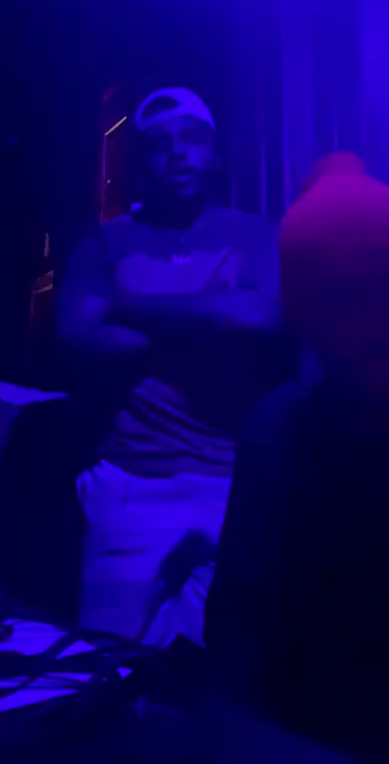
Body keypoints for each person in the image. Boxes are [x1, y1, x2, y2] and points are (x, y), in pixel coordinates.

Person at [205, 153, 389, 762]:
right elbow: (236, 644)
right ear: (308, 320)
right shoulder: (278, 433)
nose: (381, 318)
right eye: (348, 296)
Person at [57, 87, 295, 645]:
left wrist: (124, 306)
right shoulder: (106, 241)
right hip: (130, 484)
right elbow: (77, 336)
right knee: (111, 668)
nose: (178, 152)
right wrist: (214, 321)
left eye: (192, 138)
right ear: (140, 164)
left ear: (216, 154)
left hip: (235, 487)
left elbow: (260, 317)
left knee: (226, 668)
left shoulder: (259, 236)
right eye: (159, 144)